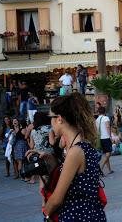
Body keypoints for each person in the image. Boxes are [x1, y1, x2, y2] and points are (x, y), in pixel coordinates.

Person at [39, 92, 106, 221]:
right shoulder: (83, 146)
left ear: (59, 119)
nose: (50, 123)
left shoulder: (75, 152)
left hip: (78, 217)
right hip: (91, 215)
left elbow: (57, 199)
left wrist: (46, 213)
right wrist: (52, 161)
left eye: (50, 118)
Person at [29, 112, 53, 186]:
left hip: (37, 156)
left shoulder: (33, 131)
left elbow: (31, 146)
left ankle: (44, 194)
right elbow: (52, 142)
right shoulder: (49, 128)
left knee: (42, 177)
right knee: (51, 175)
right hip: (48, 155)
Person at [96, 106, 114, 175]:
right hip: (106, 137)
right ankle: (101, 167)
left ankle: (109, 170)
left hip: (100, 138)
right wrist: (110, 136)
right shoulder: (106, 118)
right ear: (105, 111)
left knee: (106, 153)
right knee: (108, 153)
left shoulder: (97, 119)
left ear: (98, 112)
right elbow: (107, 127)